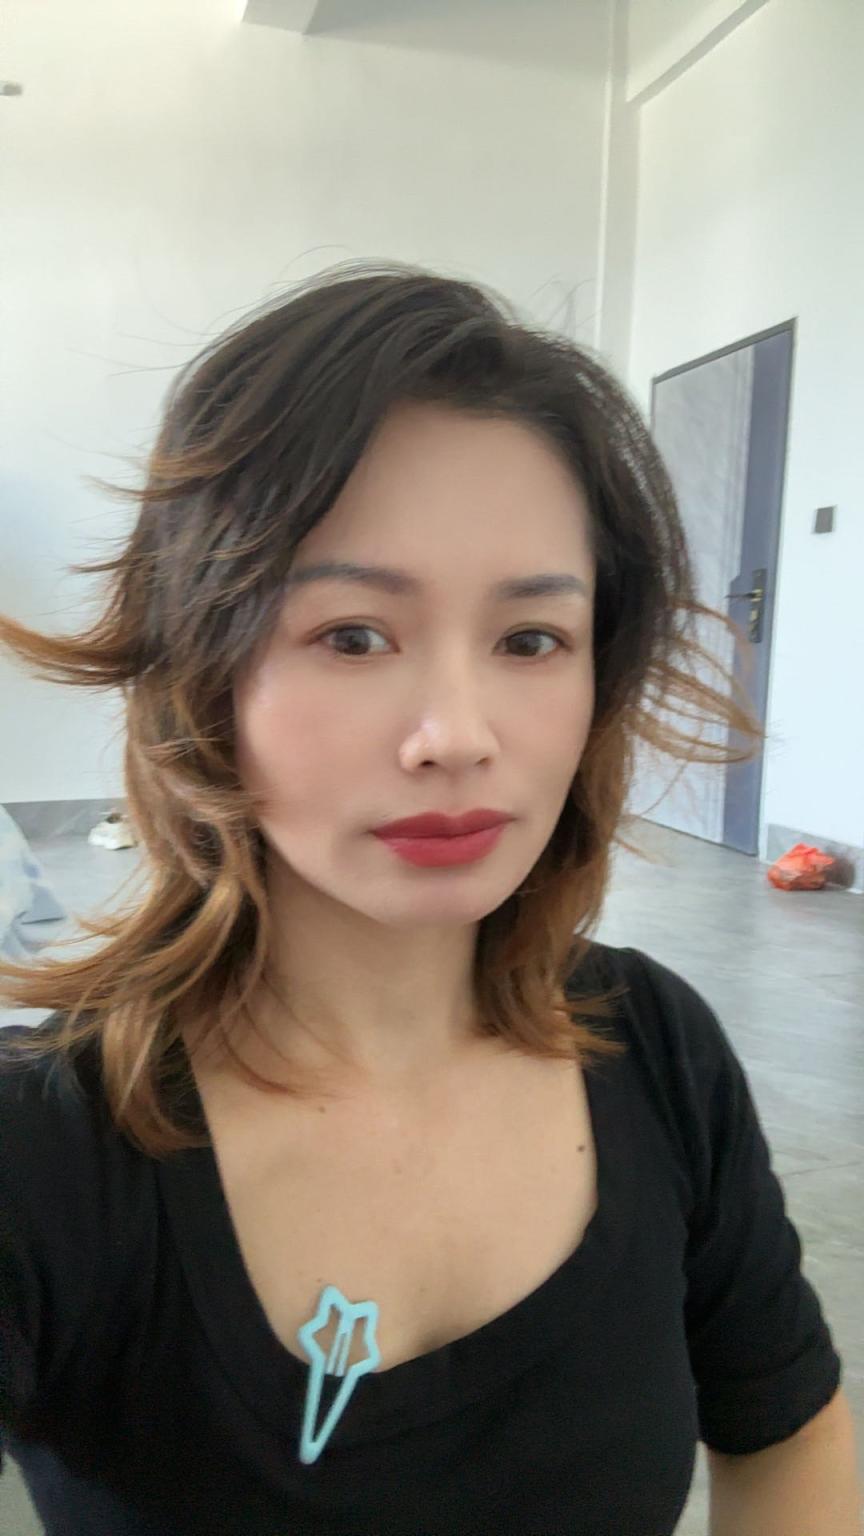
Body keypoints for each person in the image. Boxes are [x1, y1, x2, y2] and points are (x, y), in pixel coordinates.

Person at [0, 263, 859, 1536]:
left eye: (530, 639)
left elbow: (789, 1431)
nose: (458, 735)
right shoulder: (45, 1154)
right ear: (202, 669)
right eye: (352, 635)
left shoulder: (657, 1046)